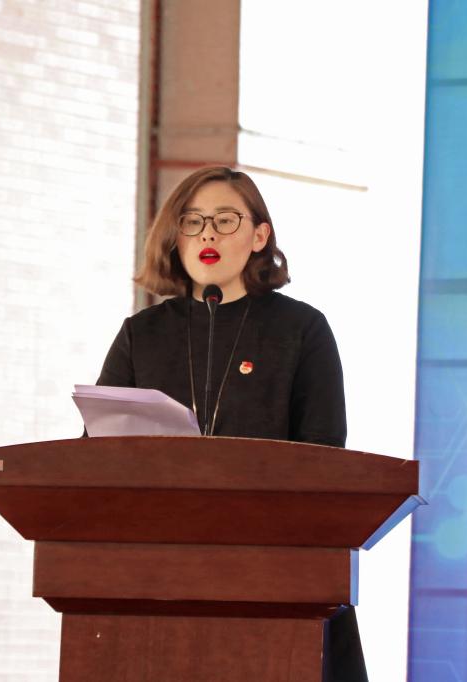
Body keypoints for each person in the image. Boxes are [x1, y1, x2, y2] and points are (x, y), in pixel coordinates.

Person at [95, 166, 366, 681]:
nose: (208, 235)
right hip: (159, 576)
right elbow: (97, 453)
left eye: (225, 220)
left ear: (259, 236)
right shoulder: (141, 335)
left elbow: (324, 457)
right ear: (175, 236)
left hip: (276, 573)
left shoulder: (301, 330)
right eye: (193, 222)